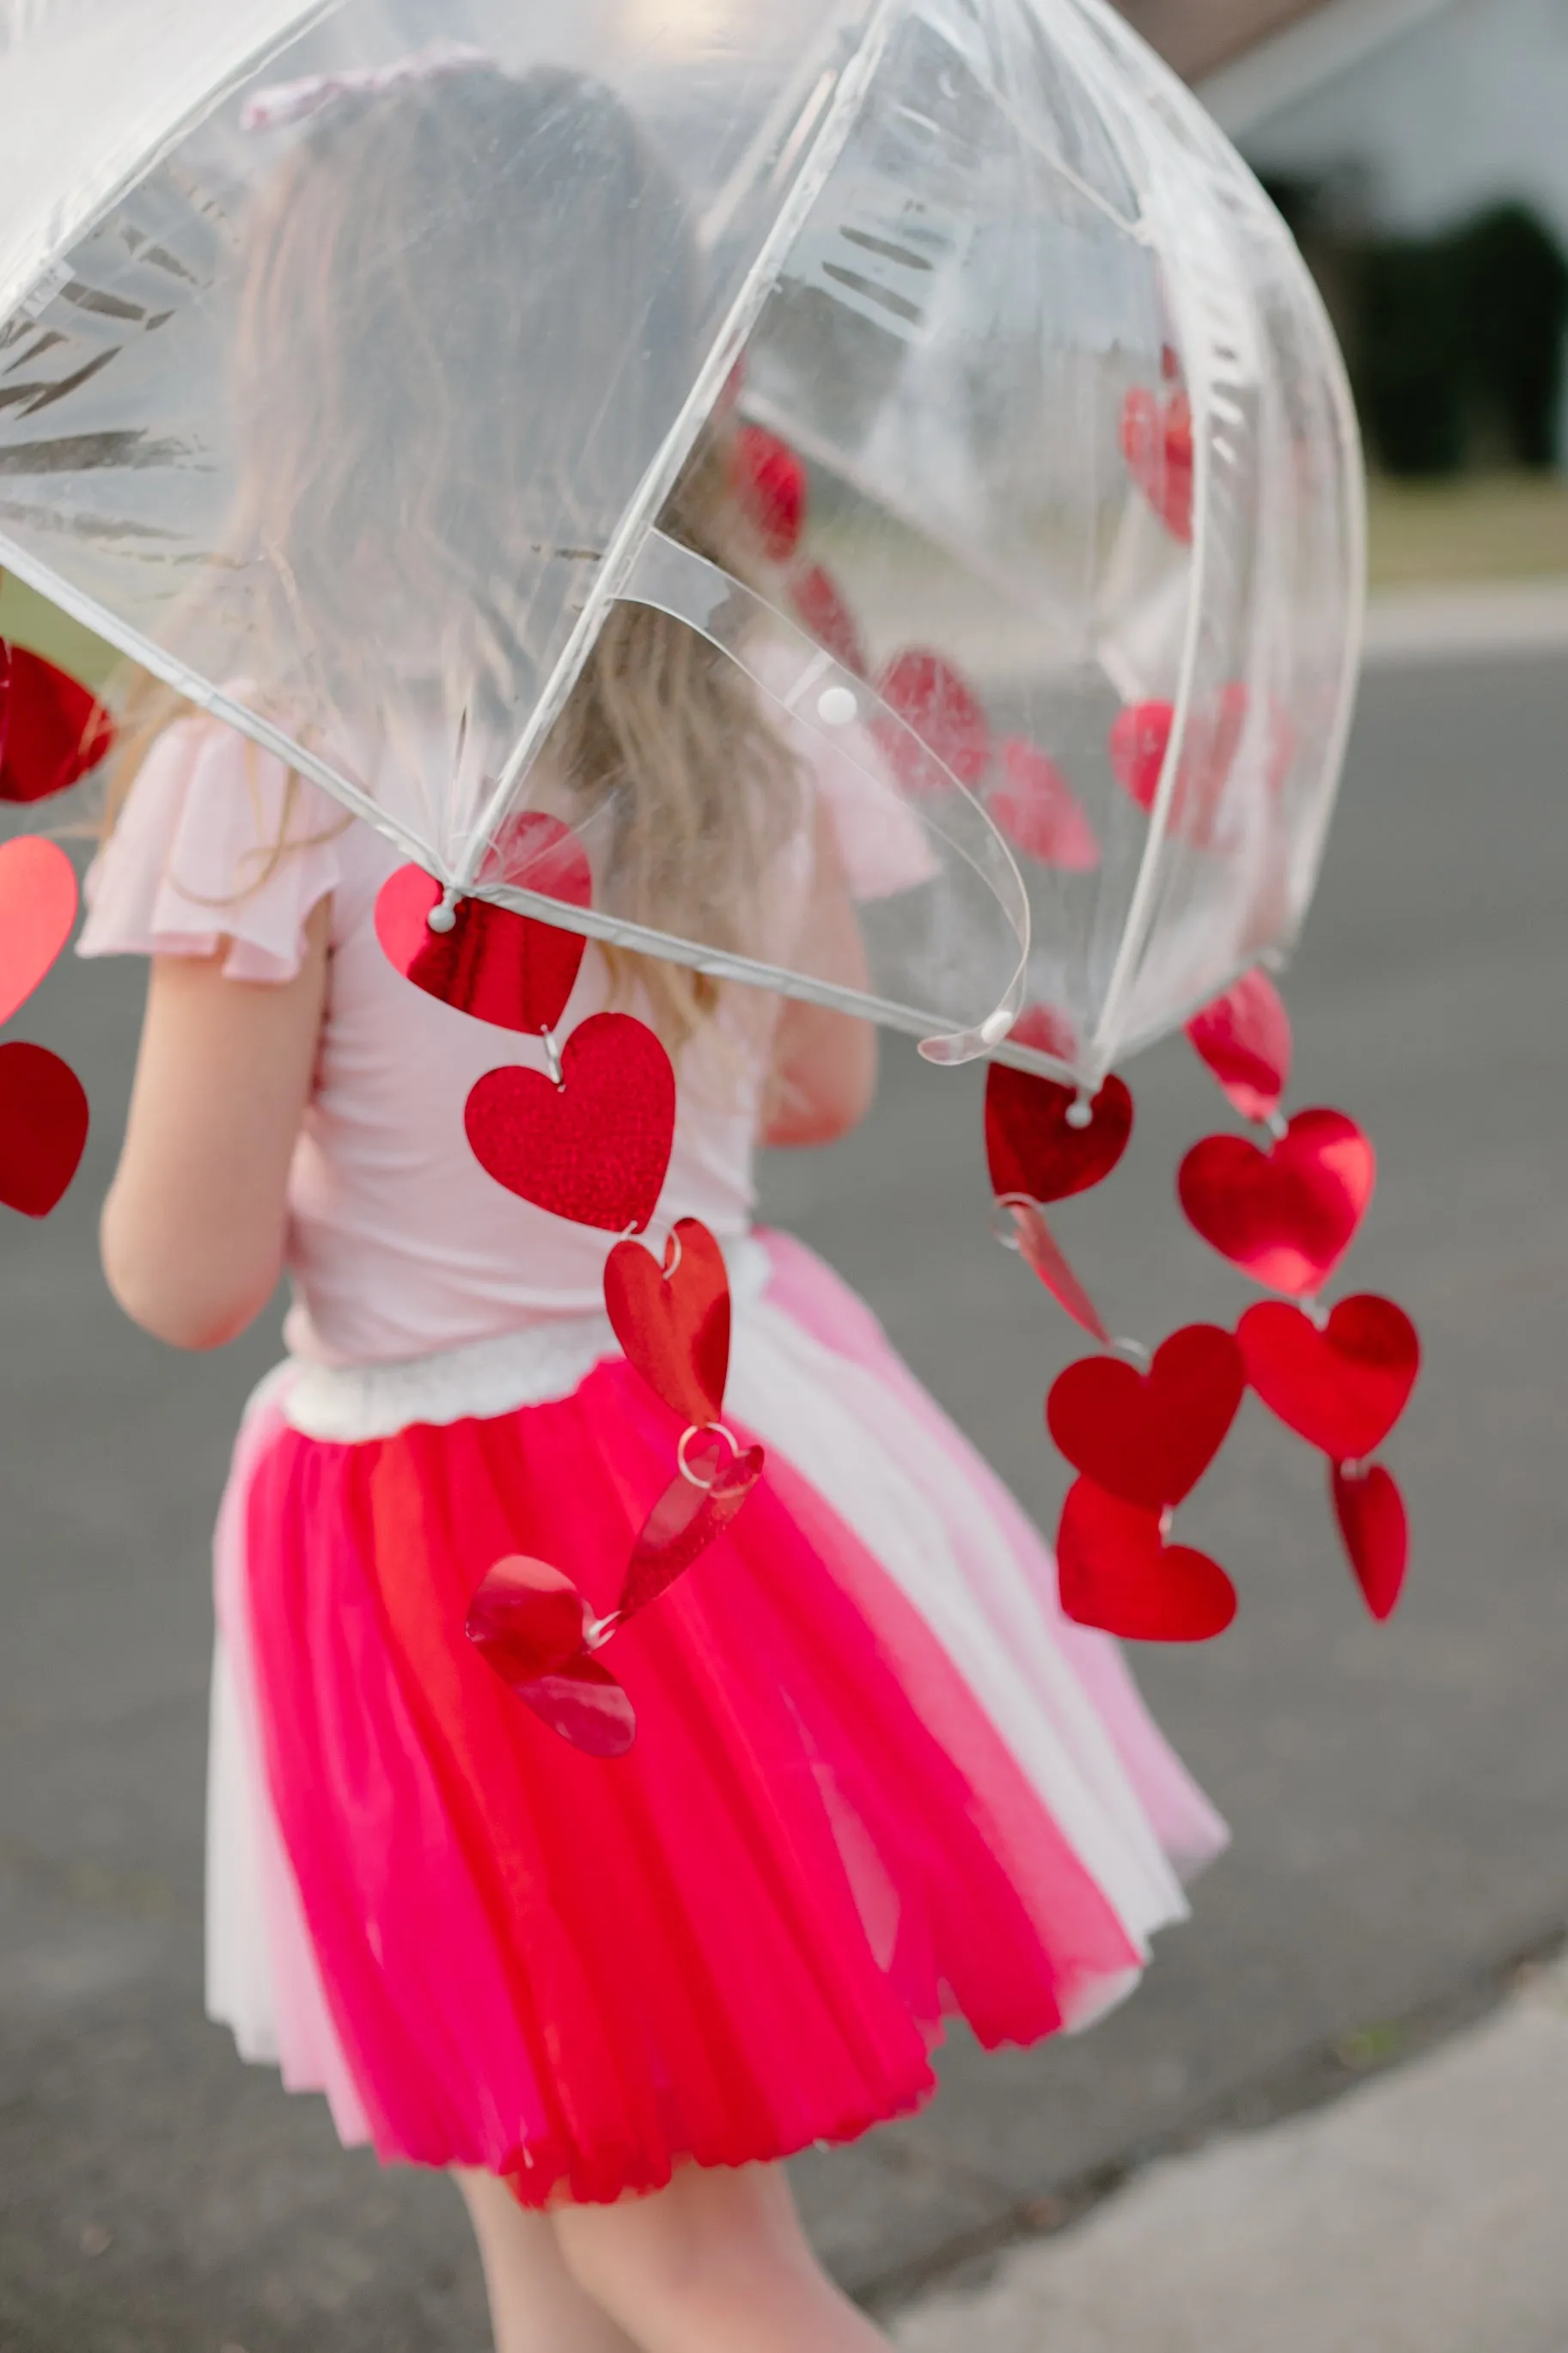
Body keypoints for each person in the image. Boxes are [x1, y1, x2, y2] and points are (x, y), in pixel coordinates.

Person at [81, 55, 1225, 2353]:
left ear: (321, 368)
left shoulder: (275, 758)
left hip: (463, 1538)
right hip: (714, 1440)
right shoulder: (741, 695)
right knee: (547, 2201)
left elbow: (184, 1277)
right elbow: (806, 1084)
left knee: (674, 2248)